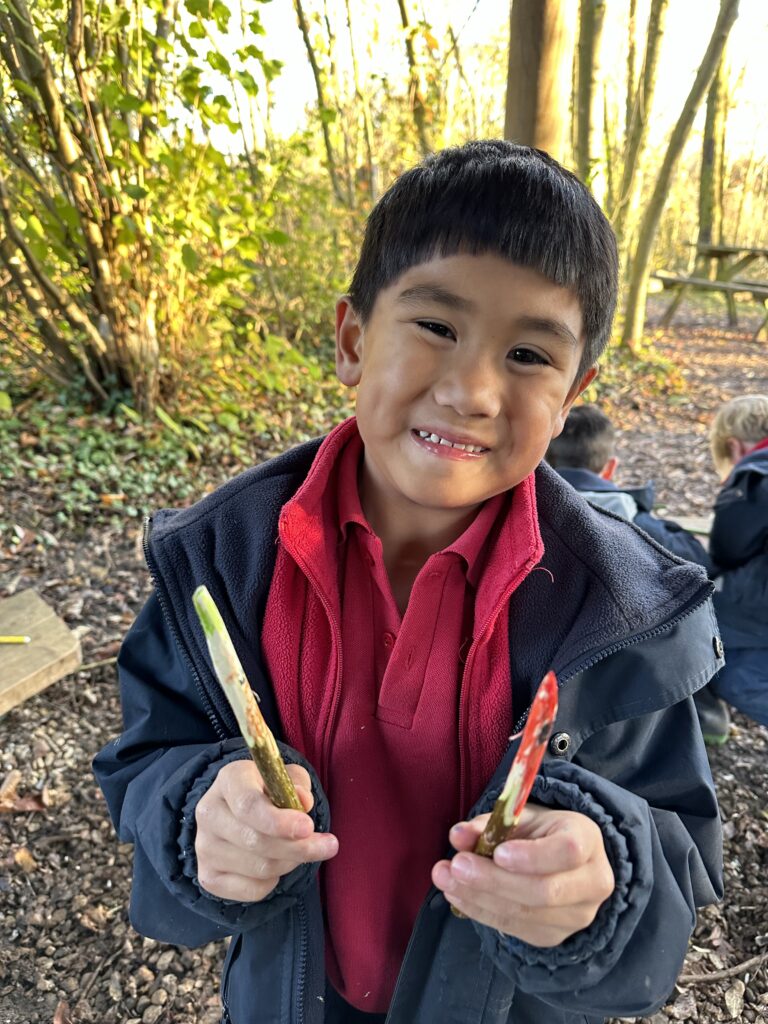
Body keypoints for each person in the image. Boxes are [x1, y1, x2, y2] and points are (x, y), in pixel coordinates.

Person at [93, 141, 724, 1024]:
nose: (470, 390)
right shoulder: (226, 562)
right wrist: (196, 816)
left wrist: (602, 881)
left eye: (530, 356)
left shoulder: (618, 609)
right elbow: (146, 761)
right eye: (435, 327)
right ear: (354, 339)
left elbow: (679, 856)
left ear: (576, 390)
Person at [545, 404, 730, 745]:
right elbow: (699, 573)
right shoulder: (641, 529)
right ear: (610, 468)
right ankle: (708, 718)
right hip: (628, 698)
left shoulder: (519, 522)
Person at [707, 394, 768, 727]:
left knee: (714, 652)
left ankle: (703, 720)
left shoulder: (753, 474)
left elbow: (727, 551)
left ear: (734, 447)